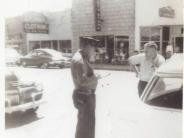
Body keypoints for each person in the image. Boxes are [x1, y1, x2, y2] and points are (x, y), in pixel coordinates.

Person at [71, 37, 100, 138]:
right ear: (87, 47)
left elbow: (86, 75)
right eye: (93, 48)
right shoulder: (80, 60)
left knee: (87, 126)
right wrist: (95, 78)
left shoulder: (82, 57)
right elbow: (82, 81)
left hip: (85, 96)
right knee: (85, 128)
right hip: (84, 96)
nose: (94, 51)